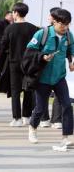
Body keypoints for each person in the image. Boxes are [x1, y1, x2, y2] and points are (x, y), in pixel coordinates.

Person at [27, 8, 74, 146]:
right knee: (40, 108)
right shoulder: (42, 33)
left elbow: (71, 50)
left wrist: (71, 62)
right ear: (54, 21)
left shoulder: (69, 36)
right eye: (62, 24)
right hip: (43, 78)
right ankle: (32, 128)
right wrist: (42, 57)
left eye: (67, 24)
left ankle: (66, 137)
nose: (65, 27)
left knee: (66, 105)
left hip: (59, 77)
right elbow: (29, 52)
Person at [0, 3, 38, 127]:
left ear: (16, 12)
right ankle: (26, 116)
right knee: (28, 89)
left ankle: (17, 118)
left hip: (14, 63)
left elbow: (3, 45)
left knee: (15, 91)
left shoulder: (10, 28)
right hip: (29, 63)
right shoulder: (33, 28)